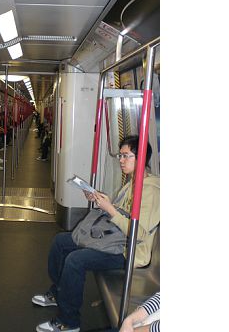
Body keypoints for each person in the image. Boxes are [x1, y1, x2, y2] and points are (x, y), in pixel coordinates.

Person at [33, 136, 160, 332]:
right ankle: (58, 293)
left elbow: (139, 233)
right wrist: (101, 199)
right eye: (121, 155)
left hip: (129, 252)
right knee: (61, 242)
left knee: (76, 260)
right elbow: (122, 211)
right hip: (115, 240)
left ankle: (69, 321)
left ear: (141, 157)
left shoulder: (150, 189)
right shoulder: (133, 182)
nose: (121, 160)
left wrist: (110, 209)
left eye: (127, 156)